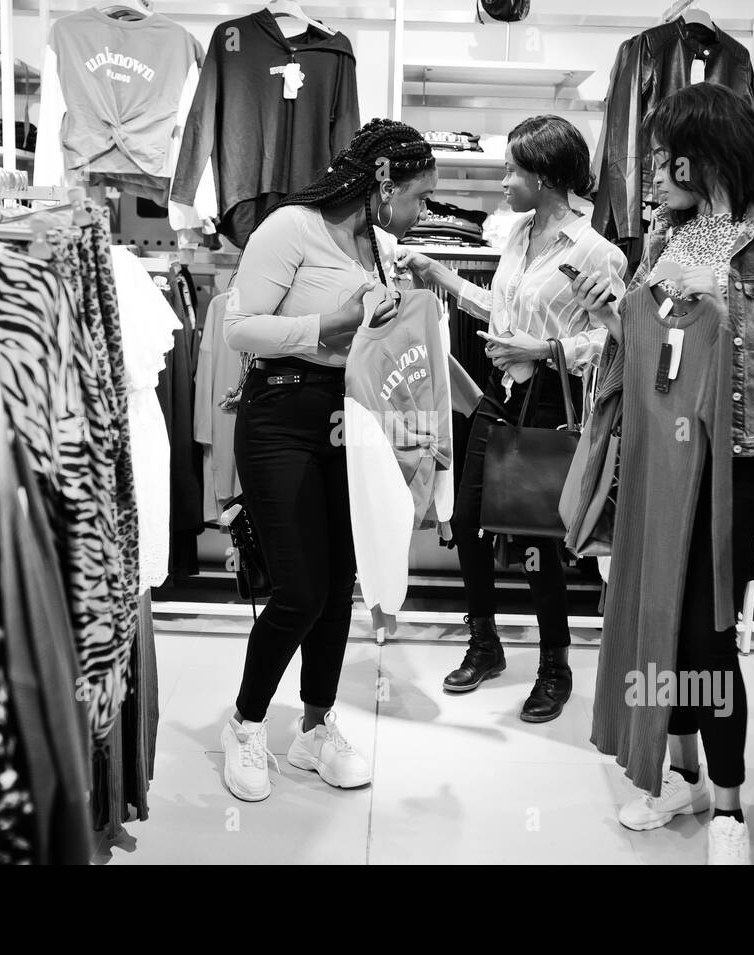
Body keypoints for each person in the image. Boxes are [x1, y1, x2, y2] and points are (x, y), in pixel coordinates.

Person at [570, 84, 754, 864]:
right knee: (660, 617)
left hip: (740, 456)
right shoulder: (673, 234)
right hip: (664, 456)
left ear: (711, 153)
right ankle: (682, 773)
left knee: (708, 629)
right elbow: (647, 351)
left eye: (669, 158)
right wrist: (609, 315)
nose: (655, 174)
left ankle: (726, 801)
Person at [219, 119, 438, 802]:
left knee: (341, 578)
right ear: (382, 183)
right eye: (419, 197)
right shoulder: (290, 229)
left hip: (354, 422)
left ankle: (315, 725)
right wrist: (329, 326)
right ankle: (246, 721)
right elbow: (238, 328)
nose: (422, 212)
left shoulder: (380, 243)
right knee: (298, 588)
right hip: (280, 415)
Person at [398, 115, 627, 723]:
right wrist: (443, 278)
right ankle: (486, 645)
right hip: (502, 394)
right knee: (468, 519)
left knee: (535, 538)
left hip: (554, 399)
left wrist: (545, 350)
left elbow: (616, 343)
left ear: (547, 176)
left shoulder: (595, 252)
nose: (503, 182)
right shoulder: (517, 235)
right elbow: (503, 312)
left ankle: (556, 664)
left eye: (513, 171)